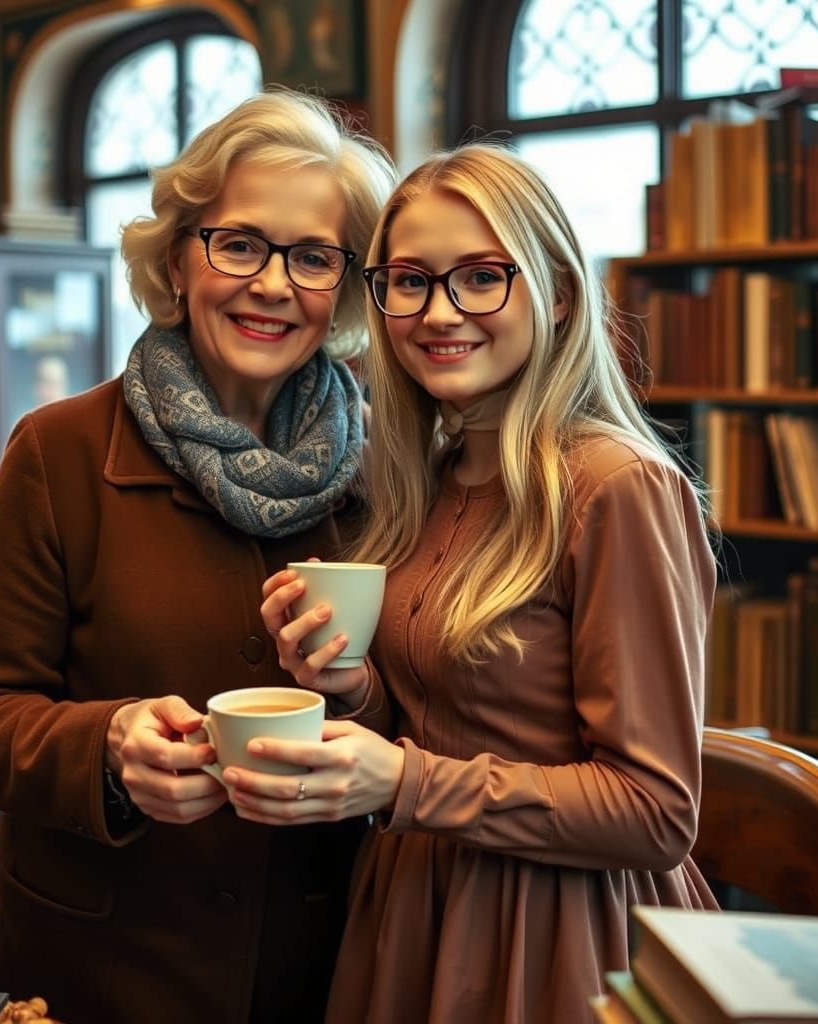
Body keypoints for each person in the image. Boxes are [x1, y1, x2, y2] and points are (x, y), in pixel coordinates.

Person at [224, 143, 719, 1023]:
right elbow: (436, 728)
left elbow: (654, 812)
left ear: (557, 293)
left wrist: (401, 782)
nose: (439, 312)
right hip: (413, 905)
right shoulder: (430, 475)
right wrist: (352, 686)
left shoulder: (615, 486)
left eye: (482, 277)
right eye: (409, 281)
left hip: (556, 932)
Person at [0, 89, 395, 1024]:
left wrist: (361, 698)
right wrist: (105, 746)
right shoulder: (57, 451)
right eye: (240, 244)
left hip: (321, 970)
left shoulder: (390, 469)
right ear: (178, 260)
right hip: (96, 971)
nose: (273, 285)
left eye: (312, 257)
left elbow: (423, 727)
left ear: (345, 288)